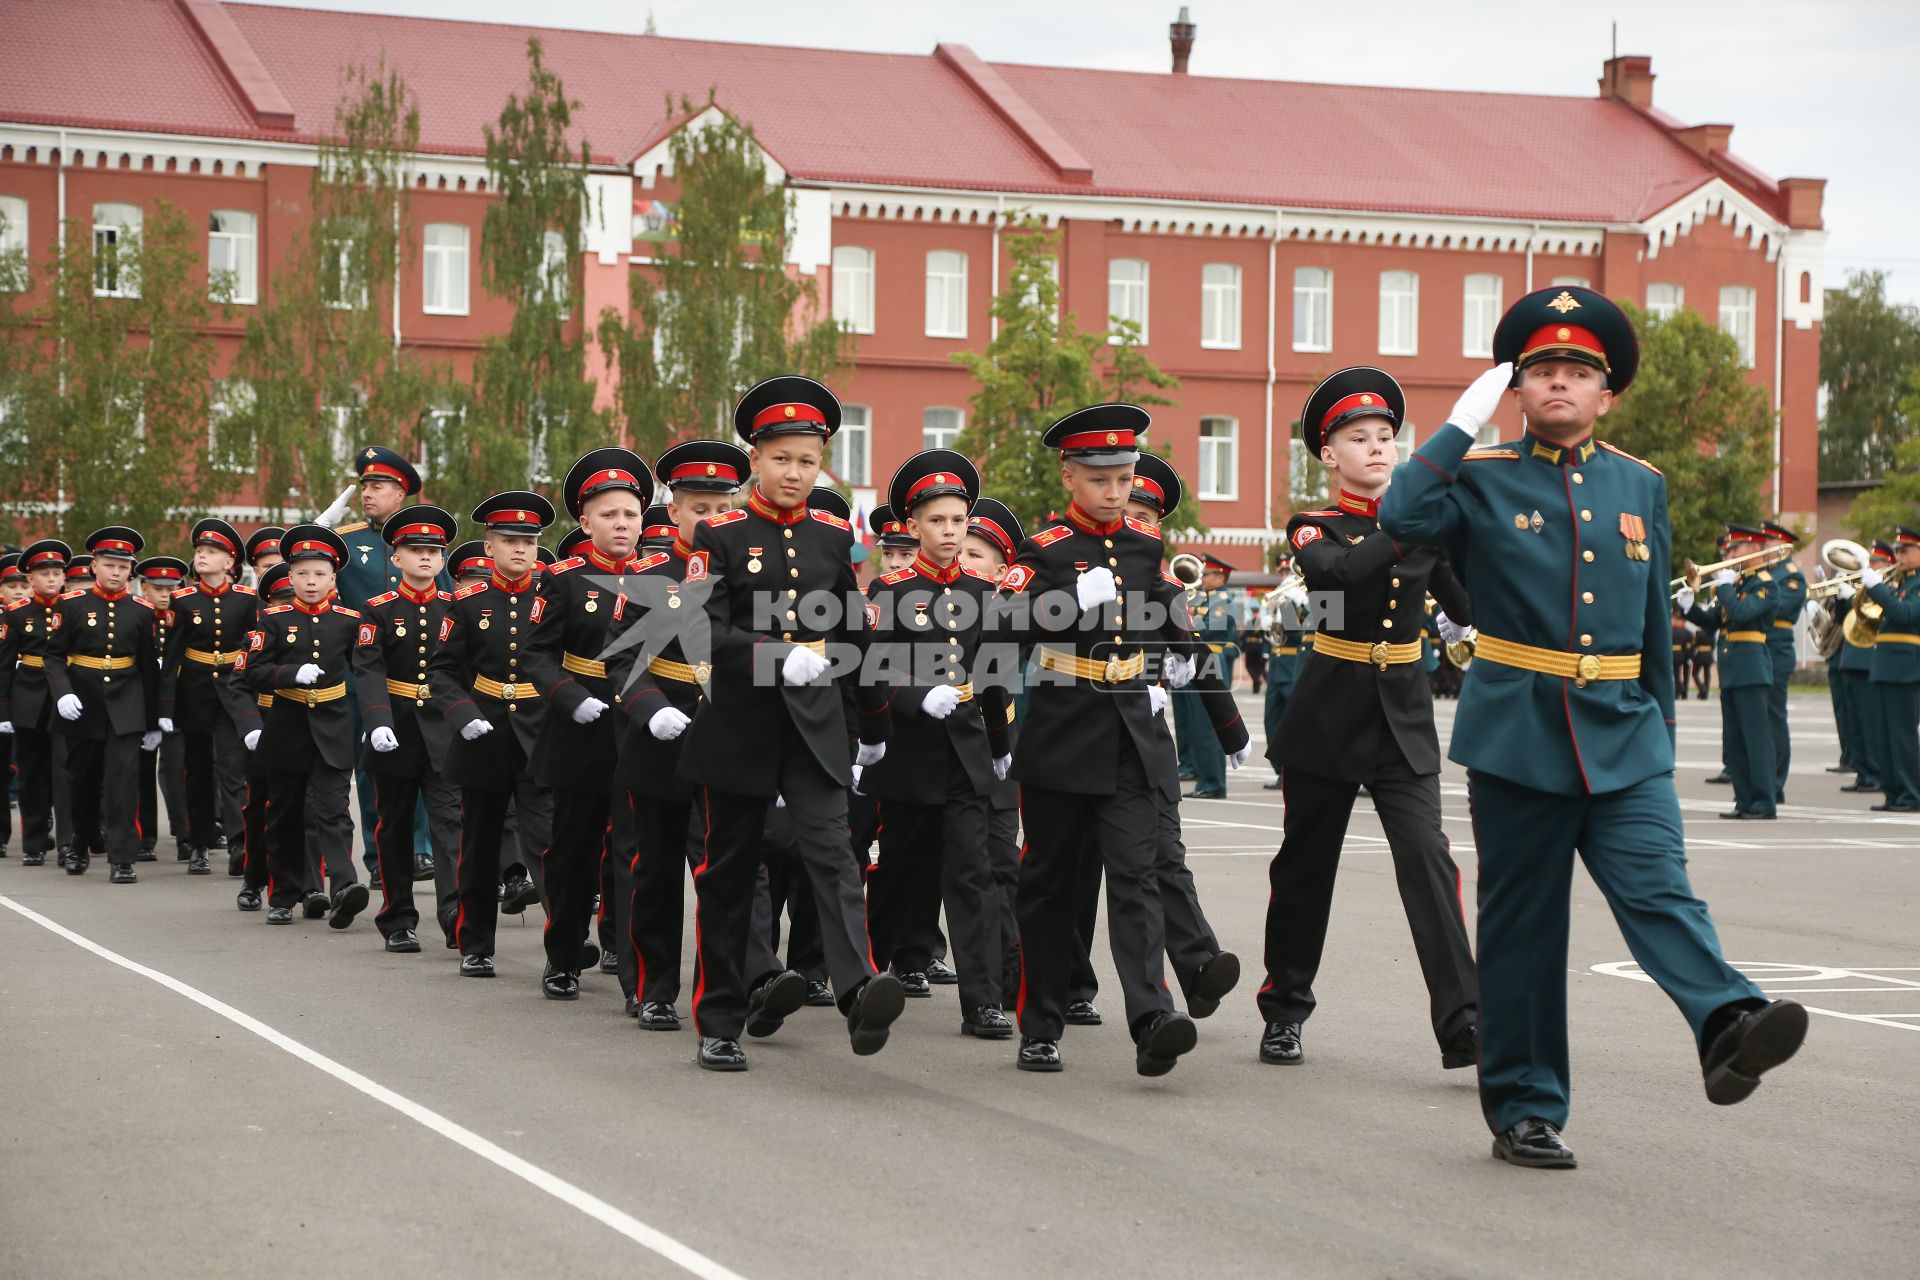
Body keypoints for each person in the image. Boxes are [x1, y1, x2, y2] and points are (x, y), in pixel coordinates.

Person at [1381, 284, 1805, 1169]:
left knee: (1659, 888)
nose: (1560, 384)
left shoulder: (1639, 483)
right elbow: (1401, 519)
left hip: (1622, 726)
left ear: (1607, 394)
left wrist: (1657, 713)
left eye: (1578, 372)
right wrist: (1456, 429)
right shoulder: (1479, 477)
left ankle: (1726, 1018)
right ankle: (1527, 1109)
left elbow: (1652, 616)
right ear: (1518, 388)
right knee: (1525, 933)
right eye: (1541, 372)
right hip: (1519, 733)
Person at [641, 374, 901, 1072]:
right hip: (738, 730)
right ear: (754, 458)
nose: (794, 473)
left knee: (834, 853)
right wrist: (770, 654)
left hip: (814, 727)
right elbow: (698, 627)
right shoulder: (720, 534)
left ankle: (857, 990)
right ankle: (720, 1018)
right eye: (782, 458)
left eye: (807, 461)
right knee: (729, 876)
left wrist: (873, 721)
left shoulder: (828, 532)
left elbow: (852, 631)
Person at [995, 403, 1248, 1076]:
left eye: (1124, 477)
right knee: (1050, 888)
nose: (1115, 492)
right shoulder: (1042, 552)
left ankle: (1152, 1018)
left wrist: (1224, 717)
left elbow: (1175, 630)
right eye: (1101, 478)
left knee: (1136, 879)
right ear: (1069, 475)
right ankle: (1040, 1024)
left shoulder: (1143, 546)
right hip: (1061, 735)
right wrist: (1065, 605)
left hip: (1132, 732)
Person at [1256, 367, 1479, 1071]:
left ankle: (1465, 1022)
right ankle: (1285, 1010)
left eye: (1388, 437)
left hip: (1404, 718)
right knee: (1305, 870)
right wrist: (1408, 524)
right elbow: (1340, 578)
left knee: (1428, 860)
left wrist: (1473, 540)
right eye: (1361, 438)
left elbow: (1468, 606)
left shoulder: (1424, 527)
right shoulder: (1313, 526)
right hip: (1328, 715)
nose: (1379, 448)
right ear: (1330, 455)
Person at [860, 449, 1014, 1038]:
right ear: (914, 526)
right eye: (937, 522)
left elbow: (995, 672)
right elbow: (870, 666)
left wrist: (1000, 743)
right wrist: (914, 695)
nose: (949, 532)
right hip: (910, 757)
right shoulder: (891, 590)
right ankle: (868, 975)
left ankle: (982, 1001)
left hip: (968, 755)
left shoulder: (984, 591)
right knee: (900, 875)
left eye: (958, 521)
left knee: (972, 877)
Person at [605, 438, 749, 1027]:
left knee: (731, 871)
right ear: (673, 511)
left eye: (720, 510)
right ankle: (653, 984)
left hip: (728, 736)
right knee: (657, 866)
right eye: (698, 509)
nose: (709, 520)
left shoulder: (751, 577)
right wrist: (649, 707)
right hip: (661, 735)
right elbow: (621, 662)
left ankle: (735, 985)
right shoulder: (648, 575)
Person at [524, 449, 653, 1001]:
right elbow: (535, 654)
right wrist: (568, 696)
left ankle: (628, 958)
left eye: (629, 513)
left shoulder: (662, 577)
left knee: (633, 850)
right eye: (608, 515)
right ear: (585, 522)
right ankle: (563, 956)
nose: (621, 524)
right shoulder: (564, 580)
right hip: (583, 726)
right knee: (574, 849)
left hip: (645, 726)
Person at [429, 492, 559, 977]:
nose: (520, 550)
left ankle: (562, 945)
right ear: (489, 547)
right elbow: (440, 671)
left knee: (547, 842)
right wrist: (462, 713)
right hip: (484, 730)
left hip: (540, 728)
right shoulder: (465, 602)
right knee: (480, 844)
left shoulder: (552, 597)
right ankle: (475, 943)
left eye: (527, 541)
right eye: (509, 540)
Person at [222, 526, 371, 928]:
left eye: (319, 574)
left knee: (334, 811)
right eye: (303, 574)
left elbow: (369, 669)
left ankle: (343, 887)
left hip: (333, 723)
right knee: (283, 814)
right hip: (287, 725)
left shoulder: (349, 620)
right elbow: (251, 673)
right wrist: (289, 673)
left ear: (333, 579)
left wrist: (373, 718)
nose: (311, 582)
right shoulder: (273, 620)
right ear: (290, 578)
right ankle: (284, 894)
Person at [351, 504, 462, 954]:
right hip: (394, 725)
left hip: (443, 726)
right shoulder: (377, 611)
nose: (424, 559)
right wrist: (376, 720)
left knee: (450, 826)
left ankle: (455, 914)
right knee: (393, 826)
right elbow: (368, 668)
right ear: (395, 559)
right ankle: (398, 917)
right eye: (414, 550)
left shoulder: (457, 608)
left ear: (441, 561)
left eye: (433, 552)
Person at [336, 444, 438, 889]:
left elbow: (446, 599)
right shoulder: (346, 541)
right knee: (372, 767)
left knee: (422, 761)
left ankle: (419, 850)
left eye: (379, 486)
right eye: (365, 486)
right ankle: (380, 858)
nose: (368, 493)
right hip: (364, 674)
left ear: (402, 493)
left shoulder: (425, 540)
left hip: (417, 675)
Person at [42, 528, 163, 883]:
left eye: (123, 567)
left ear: (131, 571)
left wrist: (154, 721)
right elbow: (52, 656)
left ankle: (122, 858)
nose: (116, 572)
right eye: (109, 565)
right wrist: (62, 692)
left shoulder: (142, 610)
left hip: (126, 702)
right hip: (83, 700)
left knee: (123, 781)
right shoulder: (71, 604)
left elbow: (147, 667)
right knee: (83, 780)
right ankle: (79, 843)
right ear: (94, 565)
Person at [957, 498, 1026, 1002]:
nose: (962, 561)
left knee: (1000, 864)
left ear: (1003, 570)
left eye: (975, 555)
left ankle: (1006, 979)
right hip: (937, 757)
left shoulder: (1014, 614)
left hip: (997, 752)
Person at [158, 519, 255, 874]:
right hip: (194, 693)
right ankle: (198, 843)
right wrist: (166, 706)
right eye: (199, 551)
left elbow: (254, 650)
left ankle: (239, 844)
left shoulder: (246, 600)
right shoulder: (182, 600)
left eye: (211, 552)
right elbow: (171, 657)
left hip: (233, 692)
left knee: (232, 768)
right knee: (197, 770)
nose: (201, 556)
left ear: (229, 562)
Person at [1682, 525, 1778, 821]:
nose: (1729, 553)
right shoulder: (1736, 585)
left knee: (1756, 739)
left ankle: (1763, 802)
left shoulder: (1764, 584)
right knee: (1734, 739)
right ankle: (1744, 799)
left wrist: (1723, 587)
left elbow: (1741, 614)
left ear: (1753, 549)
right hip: (1733, 668)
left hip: (1752, 668)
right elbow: (1715, 621)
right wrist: (1689, 608)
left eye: (1735, 548)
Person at [0, 539, 76, 867]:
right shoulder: (17, 614)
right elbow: (4, 666)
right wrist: (3, 710)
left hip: (66, 698)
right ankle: (33, 841)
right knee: (31, 772)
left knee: (65, 771)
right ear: (30, 579)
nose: (51, 579)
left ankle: (68, 842)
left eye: (57, 573)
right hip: (29, 696)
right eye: (44, 573)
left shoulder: (74, 608)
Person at [232, 562, 294, 912]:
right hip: (265, 722)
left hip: (304, 724)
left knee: (313, 808)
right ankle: (254, 879)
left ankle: (310, 885)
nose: (286, 608)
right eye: (279, 602)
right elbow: (237, 686)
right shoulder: (256, 638)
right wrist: (250, 726)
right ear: (266, 607)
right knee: (259, 809)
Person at [135, 555, 191, 865]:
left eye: (172, 588)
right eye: (158, 588)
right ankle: (145, 837)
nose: (166, 594)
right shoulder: (137, 617)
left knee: (175, 770)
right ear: (144, 588)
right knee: (140, 772)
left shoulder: (182, 616)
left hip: (176, 703)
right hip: (142, 703)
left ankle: (185, 836)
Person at [1860, 528, 1920, 812]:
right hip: (1885, 664)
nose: (1900, 556)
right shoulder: (1899, 583)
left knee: (1901, 735)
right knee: (1882, 735)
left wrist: (1878, 589)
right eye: (1898, 550)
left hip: (1906, 667)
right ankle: (1893, 792)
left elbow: (1905, 614)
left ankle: (1911, 794)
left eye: (1906, 551)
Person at [1836, 542, 1893, 796]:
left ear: (1888, 564)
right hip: (1850, 658)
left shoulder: (1887, 590)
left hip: (1870, 660)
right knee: (1854, 723)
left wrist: (1854, 596)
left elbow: (1878, 618)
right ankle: (1862, 772)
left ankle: (1875, 772)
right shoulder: (1867, 589)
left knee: (1871, 723)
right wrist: (1841, 601)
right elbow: (1844, 621)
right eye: (1869, 561)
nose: (1870, 566)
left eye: (1876, 562)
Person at [1183, 554, 1241, 799]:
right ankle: (1205, 779)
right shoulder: (1207, 597)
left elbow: (1210, 628)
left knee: (1208, 726)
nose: (1202, 578)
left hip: (1213, 660)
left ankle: (1215, 783)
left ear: (1219, 577)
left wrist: (1183, 622)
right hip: (1202, 660)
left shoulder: (1222, 598)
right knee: (1197, 723)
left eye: (1207, 574)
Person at [1761, 521, 1806, 804]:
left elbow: (1781, 607)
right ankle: (1762, 779)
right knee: (1759, 720)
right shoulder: (1764, 573)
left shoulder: (1791, 576)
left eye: (1767, 544)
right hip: (1758, 650)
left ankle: (1776, 781)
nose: (1762, 549)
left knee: (1774, 718)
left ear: (1782, 546)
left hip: (1777, 650)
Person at [1260, 548, 1306, 791]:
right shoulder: (1280, 597)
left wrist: (1287, 614)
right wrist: (1267, 620)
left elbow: (1307, 632)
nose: (1285, 575)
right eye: (1281, 571)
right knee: (1271, 722)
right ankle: (1280, 770)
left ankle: (1292, 772)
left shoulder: (1304, 598)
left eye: (1288, 570)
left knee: (1291, 724)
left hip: (1294, 664)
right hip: (1277, 666)